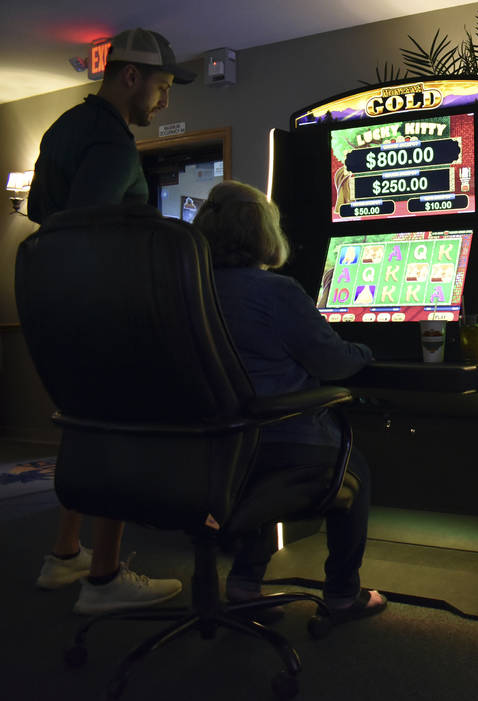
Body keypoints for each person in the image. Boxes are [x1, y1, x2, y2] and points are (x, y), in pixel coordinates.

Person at [29, 28, 194, 614]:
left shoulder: (63, 129)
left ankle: (65, 552)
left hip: (60, 310)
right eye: (162, 87)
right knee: (123, 434)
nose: (164, 102)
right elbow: (87, 231)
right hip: (105, 312)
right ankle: (103, 578)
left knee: (86, 426)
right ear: (131, 77)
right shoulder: (114, 144)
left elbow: (41, 215)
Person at [195, 180, 387, 620]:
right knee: (352, 470)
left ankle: (245, 583)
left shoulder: (189, 290)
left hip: (207, 449)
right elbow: (333, 361)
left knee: (252, 463)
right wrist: (367, 350)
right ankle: (341, 592)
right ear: (264, 233)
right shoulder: (275, 292)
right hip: (277, 438)